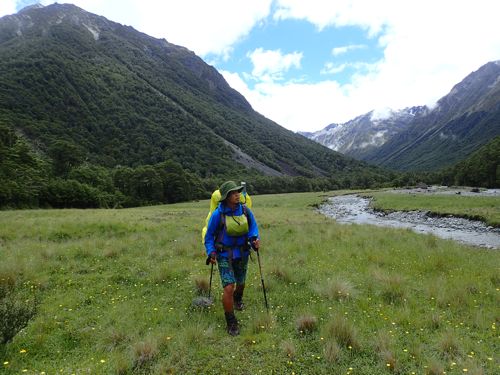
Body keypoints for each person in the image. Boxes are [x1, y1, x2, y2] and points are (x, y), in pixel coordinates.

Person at [204, 180, 260, 336]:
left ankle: (238, 299)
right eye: (234, 193)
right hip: (223, 255)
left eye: (238, 192)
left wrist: (254, 239)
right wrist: (211, 252)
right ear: (226, 197)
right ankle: (231, 322)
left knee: (241, 284)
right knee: (229, 287)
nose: (238, 195)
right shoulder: (218, 214)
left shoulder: (245, 211)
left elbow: (253, 228)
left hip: (242, 254)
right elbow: (209, 236)